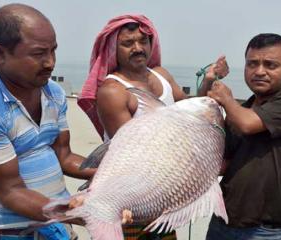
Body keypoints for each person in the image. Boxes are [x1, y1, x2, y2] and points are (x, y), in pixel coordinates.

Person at [0, 4, 95, 239]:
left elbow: (64, 156)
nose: (50, 63)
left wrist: (111, 175)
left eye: (53, 51)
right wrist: (89, 213)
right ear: (0, 53)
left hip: (50, 222)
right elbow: (12, 192)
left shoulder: (52, 93)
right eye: (38, 54)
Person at [77, 14, 229, 240]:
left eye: (143, 41)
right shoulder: (113, 90)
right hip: (134, 196)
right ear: (113, 49)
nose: (138, 48)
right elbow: (134, 152)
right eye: (127, 43)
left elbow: (190, 108)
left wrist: (208, 80)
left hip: (163, 191)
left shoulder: (161, 74)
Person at [204, 33, 281, 240]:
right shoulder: (242, 110)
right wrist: (209, 81)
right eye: (252, 64)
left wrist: (227, 99)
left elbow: (248, 124)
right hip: (222, 222)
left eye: (270, 65)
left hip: (267, 230)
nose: (259, 71)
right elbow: (221, 162)